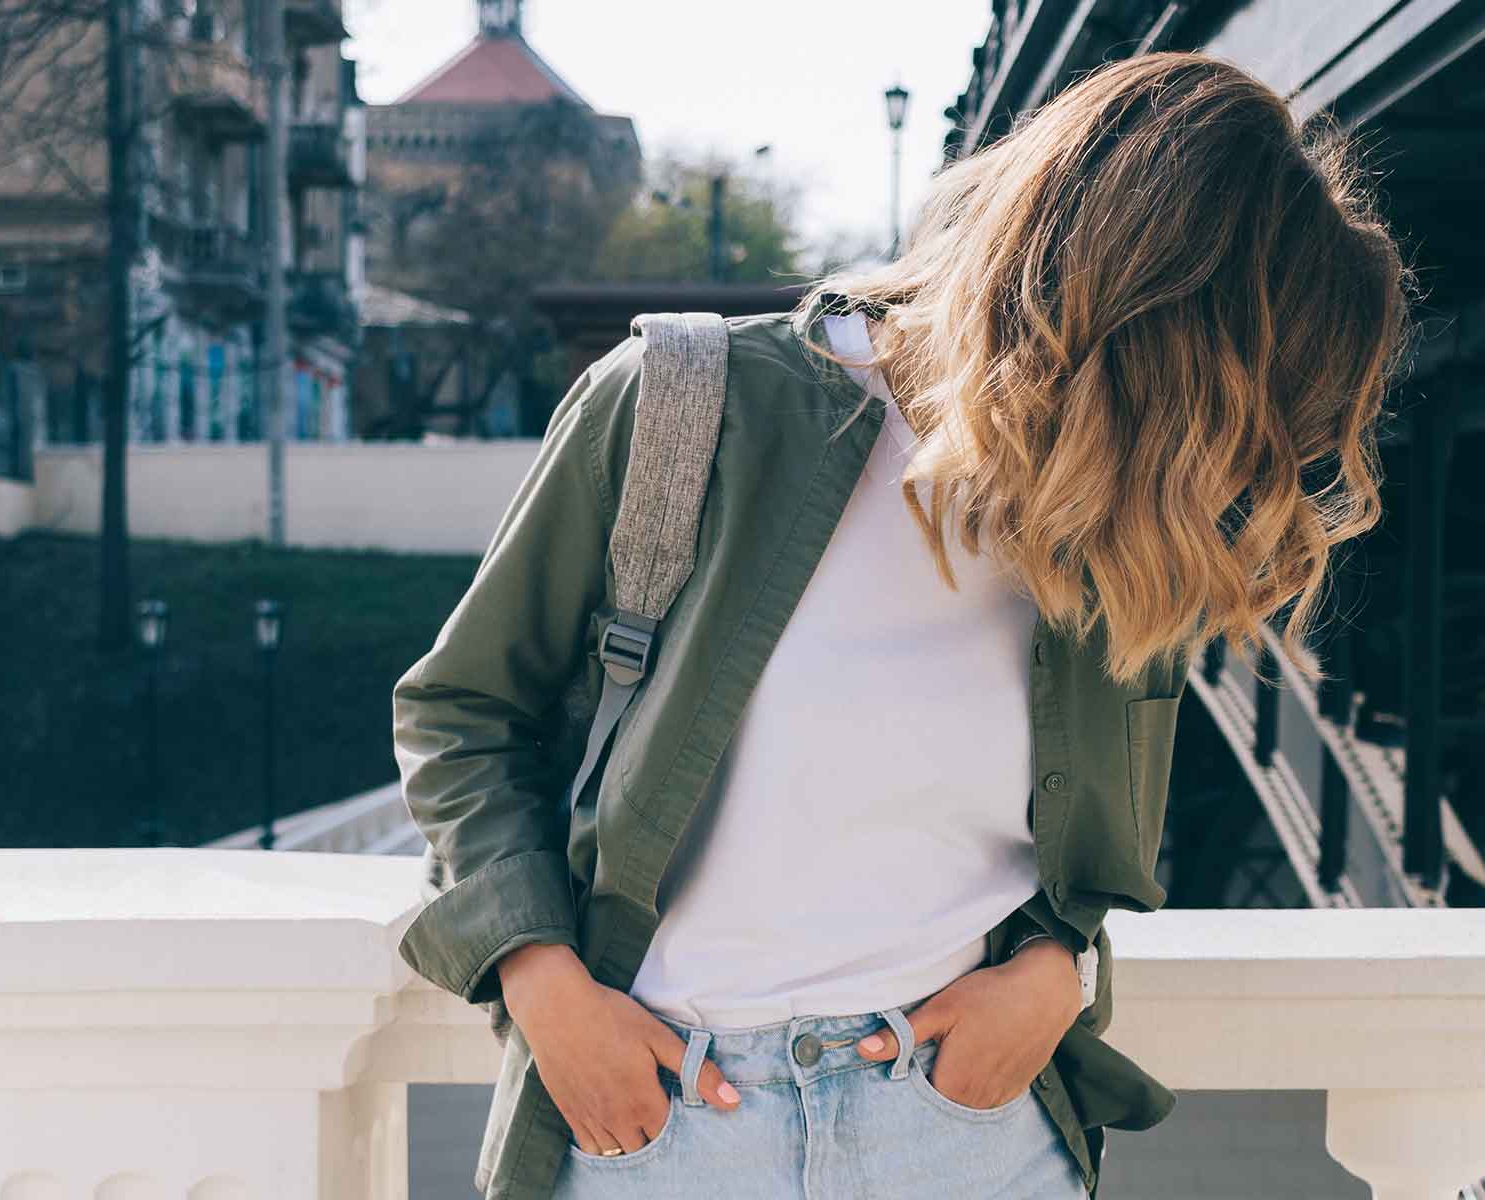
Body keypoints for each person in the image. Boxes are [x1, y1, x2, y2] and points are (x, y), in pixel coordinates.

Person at [393, 51, 1411, 1200]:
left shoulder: (1127, 515)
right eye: (1226, 408)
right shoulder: (683, 406)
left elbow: (1071, 856)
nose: (1231, 466)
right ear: (1139, 320)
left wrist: (1059, 973)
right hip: (666, 1129)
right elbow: (462, 712)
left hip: (972, 1134)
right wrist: (539, 983)